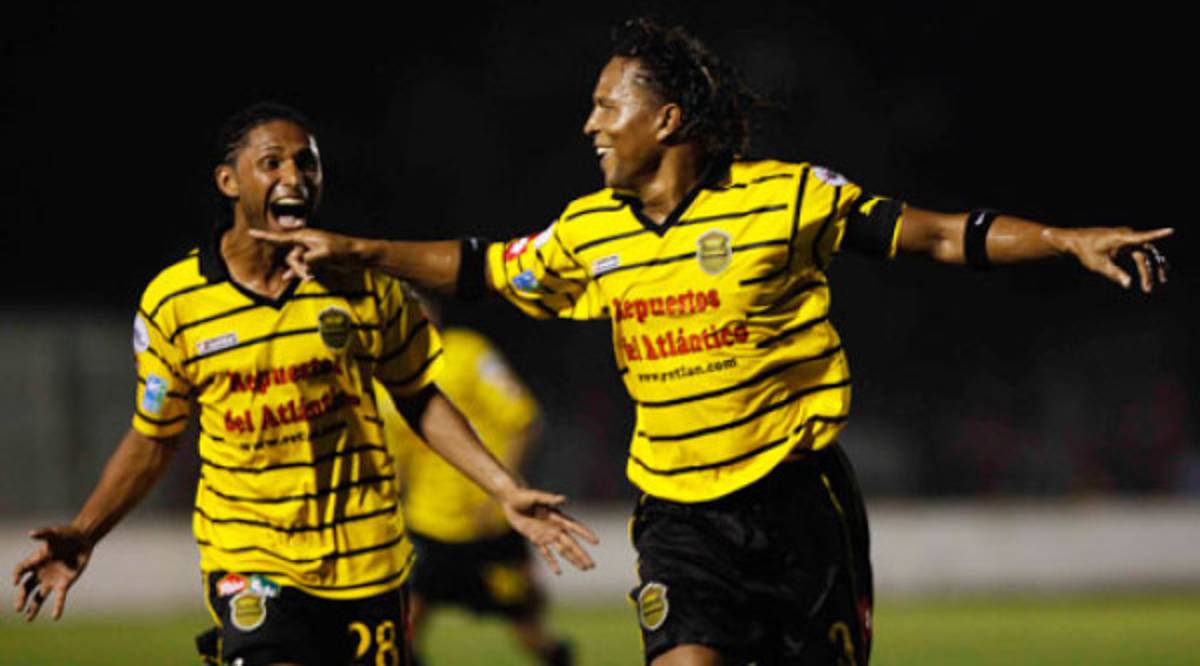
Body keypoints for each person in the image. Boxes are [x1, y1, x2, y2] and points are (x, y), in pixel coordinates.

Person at [250, 18, 1172, 666]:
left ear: (666, 120)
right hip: (679, 516)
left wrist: (1064, 239)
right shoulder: (588, 231)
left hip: (797, 504)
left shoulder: (786, 199)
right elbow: (483, 266)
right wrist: (360, 249)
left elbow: (935, 235)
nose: (590, 125)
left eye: (607, 106)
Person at [10, 102, 597, 666]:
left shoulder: (365, 284)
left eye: (307, 163)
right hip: (251, 557)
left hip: (368, 559)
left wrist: (504, 488)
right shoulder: (175, 302)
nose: (294, 176)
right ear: (228, 181)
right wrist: (86, 532)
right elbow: (154, 436)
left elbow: (418, 397)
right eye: (272, 162)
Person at [377, 307, 573, 666]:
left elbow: (522, 420)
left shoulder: (468, 352)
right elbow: (395, 454)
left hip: (489, 523)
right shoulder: (383, 373)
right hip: (429, 522)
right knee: (403, 632)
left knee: (530, 631)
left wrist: (502, 489)